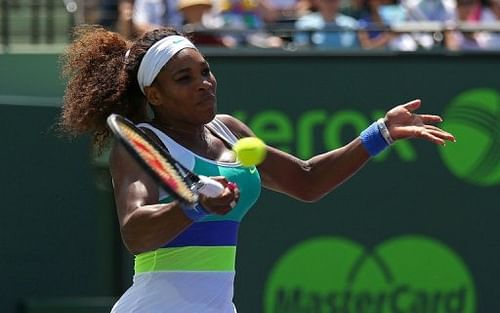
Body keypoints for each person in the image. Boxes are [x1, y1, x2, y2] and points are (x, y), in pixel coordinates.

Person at [58, 25, 455, 313]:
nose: (204, 84)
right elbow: (136, 232)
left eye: (205, 71)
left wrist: (379, 134)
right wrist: (193, 204)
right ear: (154, 94)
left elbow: (307, 181)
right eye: (185, 78)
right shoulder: (142, 145)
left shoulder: (228, 130)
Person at [293, 0, 360, 49]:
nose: (330, 4)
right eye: (326, 1)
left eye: (333, 1)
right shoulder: (304, 23)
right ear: (318, 1)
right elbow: (301, 50)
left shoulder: (351, 24)